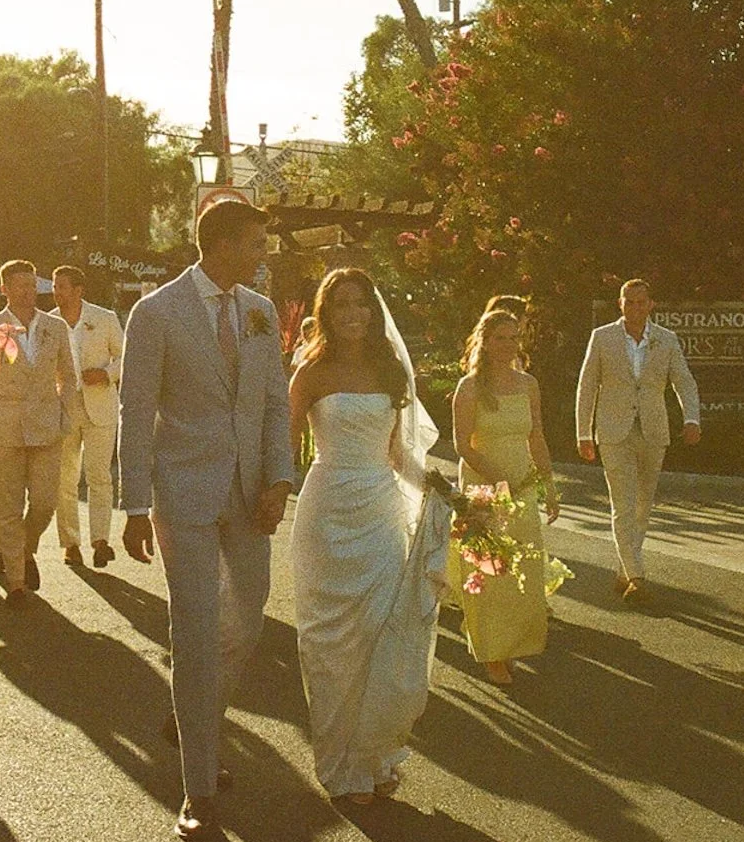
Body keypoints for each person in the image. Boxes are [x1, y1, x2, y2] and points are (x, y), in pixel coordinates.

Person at [118, 199, 294, 842]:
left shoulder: (260, 310)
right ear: (218, 244)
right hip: (183, 494)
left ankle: (193, 717)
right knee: (194, 631)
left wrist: (279, 478)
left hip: (249, 495)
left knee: (247, 620)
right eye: (253, 243)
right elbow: (136, 412)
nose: (261, 255)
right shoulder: (156, 312)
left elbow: (275, 402)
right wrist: (134, 503)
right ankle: (198, 790)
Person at [288, 268, 452, 804]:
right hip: (326, 510)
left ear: (373, 311)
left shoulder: (390, 371)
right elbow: (283, 445)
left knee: (382, 629)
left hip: (379, 510)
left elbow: (399, 454)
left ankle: (375, 753)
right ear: (326, 312)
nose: (353, 313)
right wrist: (261, 495)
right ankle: (340, 761)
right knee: (331, 641)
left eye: (361, 303)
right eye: (342, 305)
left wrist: (441, 490)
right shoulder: (310, 374)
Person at [575, 278, 701, 604]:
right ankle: (637, 575)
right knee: (623, 504)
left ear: (650, 304)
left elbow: (683, 381)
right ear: (620, 304)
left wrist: (691, 418)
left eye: (640, 302)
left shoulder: (666, 340)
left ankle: (623, 571)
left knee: (643, 506)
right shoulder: (602, 338)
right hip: (614, 432)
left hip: (653, 431)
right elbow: (587, 386)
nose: (634, 308)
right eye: (628, 302)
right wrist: (584, 433)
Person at [450, 308, 559, 685]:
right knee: (489, 573)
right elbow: (462, 445)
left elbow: (537, 437)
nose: (509, 345)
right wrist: (499, 481)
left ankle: (512, 644)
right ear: (484, 340)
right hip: (484, 489)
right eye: (501, 338)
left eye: (514, 337)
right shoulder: (469, 388)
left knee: (521, 572)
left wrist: (548, 486)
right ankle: (491, 652)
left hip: (523, 487)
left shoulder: (528, 384)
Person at [0, 259, 81, 604]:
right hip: (4, 426)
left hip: (47, 426)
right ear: (6, 290)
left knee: (45, 502)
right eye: (21, 286)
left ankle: (26, 549)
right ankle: (16, 581)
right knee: (8, 507)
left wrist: (65, 417)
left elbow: (68, 378)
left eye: (33, 285)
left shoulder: (54, 327)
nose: (29, 292)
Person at [51, 265, 124, 568]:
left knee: (99, 476)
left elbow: (125, 356)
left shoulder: (104, 319)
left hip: (100, 407)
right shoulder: (48, 323)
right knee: (65, 478)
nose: (57, 293)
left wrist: (106, 373)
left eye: (62, 287)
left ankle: (101, 541)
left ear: (79, 289)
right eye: (55, 287)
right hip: (64, 408)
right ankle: (70, 543)